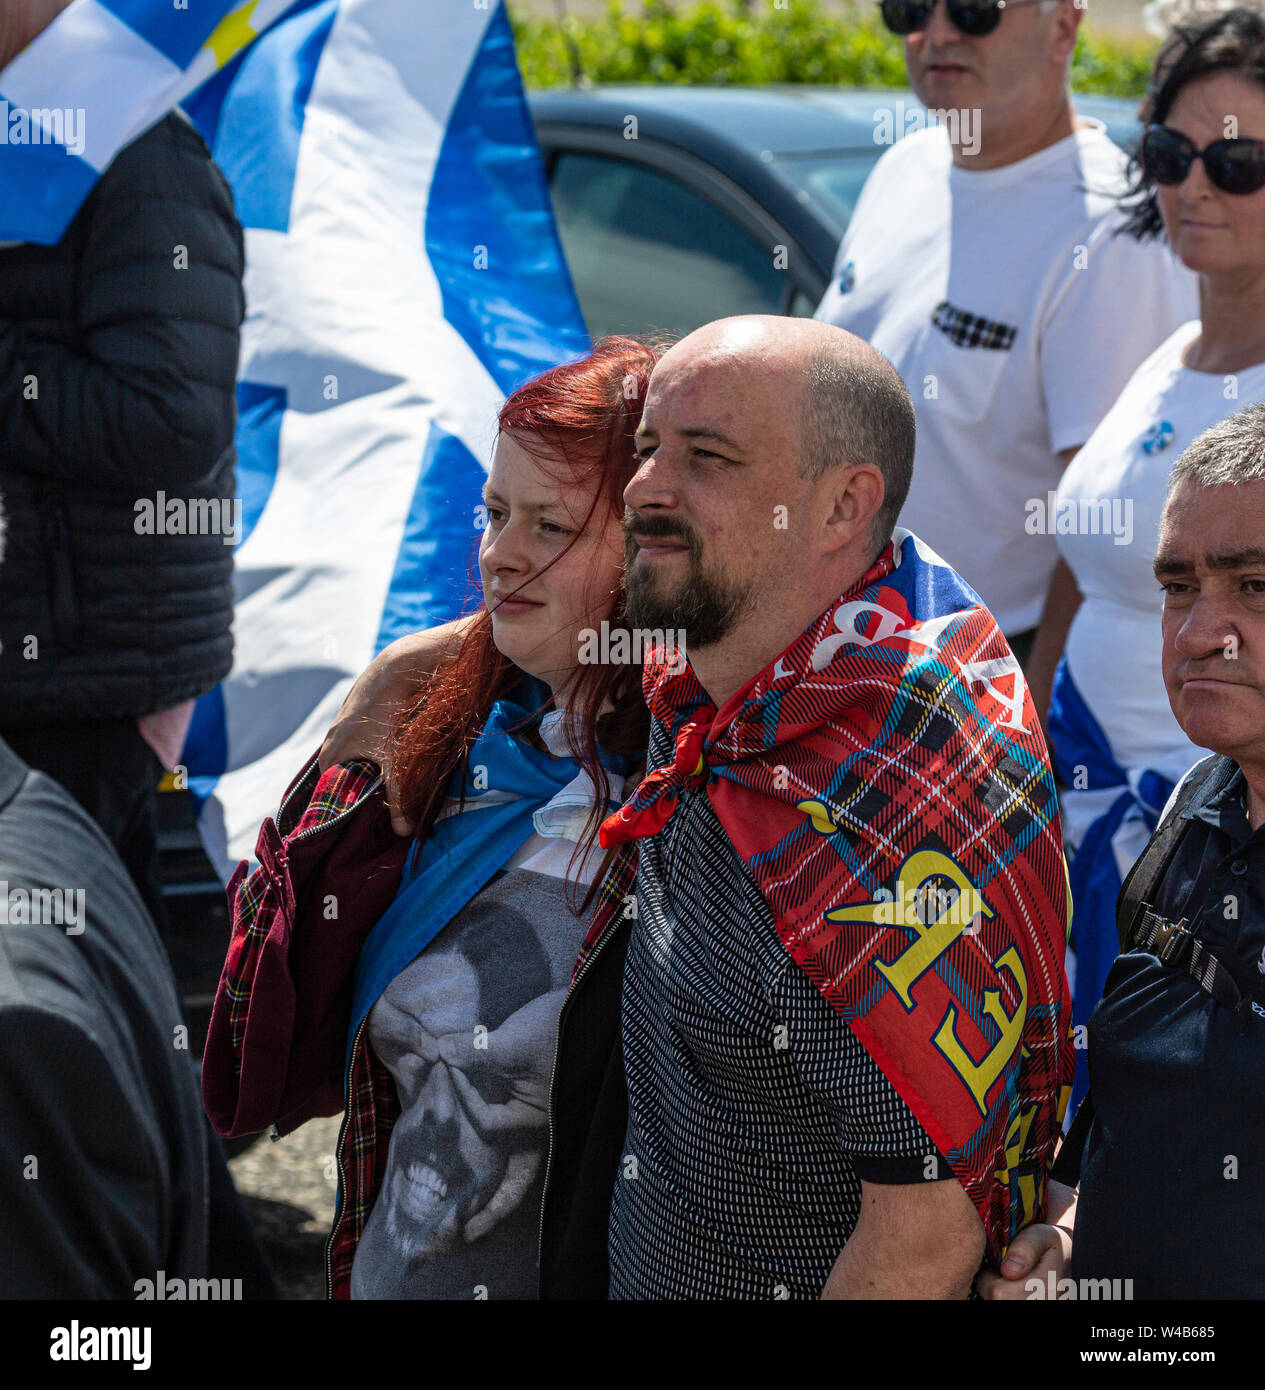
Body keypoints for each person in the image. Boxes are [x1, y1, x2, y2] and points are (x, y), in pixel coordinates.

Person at [324, 315, 1075, 1299]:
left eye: (705, 457)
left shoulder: (890, 810)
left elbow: (920, 1244)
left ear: (844, 504)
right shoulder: (719, 678)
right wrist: (421, 658)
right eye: (645, 449)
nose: (643, 489)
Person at [204, 338, 659, 1299]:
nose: (499, 554)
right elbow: (257, 1019)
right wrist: (380, 702)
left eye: (552, 525)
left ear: (656, 546)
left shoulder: (694, 814)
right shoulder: (467, 749)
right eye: (495, 513)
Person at [1028, 7, 1265, 1110]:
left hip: (1211, 850)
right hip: (1071, 809)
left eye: (1236, 161)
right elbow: (1088, 560)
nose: (1191, 188)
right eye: (1168, 156)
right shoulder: (1164, 355)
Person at [981, 403, 1265, 1300]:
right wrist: (1071, 1230)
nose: (1193, 634)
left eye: (1254, 587)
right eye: (1177, 586)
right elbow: (1145, 1102)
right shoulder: (1197, 802)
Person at [815, 0, 1195, 662]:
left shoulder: (1110, 230)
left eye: (974, 9)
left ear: (1062, 26)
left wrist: (1035, 725)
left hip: (979, 675)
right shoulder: (904, 168)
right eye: (908, 8)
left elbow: (1111, 526)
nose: (936, 33)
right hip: (833, 650)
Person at [0, 91, 244, 933]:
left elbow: (168, 421)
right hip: (41, 676)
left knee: (52, 1003)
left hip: (76, 698)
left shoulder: (142, 157)